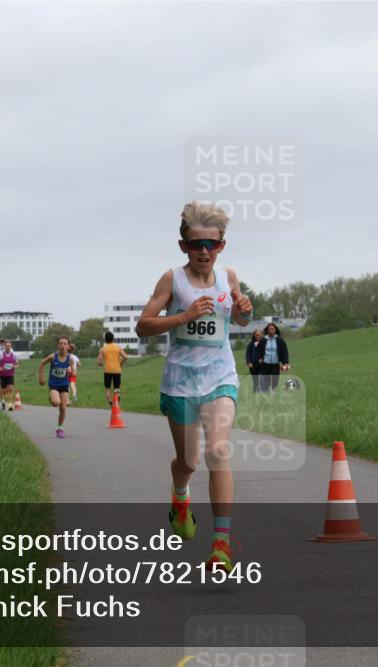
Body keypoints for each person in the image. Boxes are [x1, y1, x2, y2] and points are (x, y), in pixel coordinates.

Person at [136, 201, 253, 572]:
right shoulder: (173, 280)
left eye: (212, 245)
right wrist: (184, 316)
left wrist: (244, 311)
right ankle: (180, 495)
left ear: (222, 246)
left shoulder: (228, 277)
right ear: (183, 245)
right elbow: (143, 325)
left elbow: (241, 317)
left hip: (220, 376)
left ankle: (221, 544)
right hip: (180, 381)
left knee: (218, 451)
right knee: (188, 460)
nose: (205, 252)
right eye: (197, 244)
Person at [38, 336, 74, 438]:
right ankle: (52, 398)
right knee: (56, 403)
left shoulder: (70, 359)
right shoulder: (53, 356)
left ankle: (60, 429)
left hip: (64, 385)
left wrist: (71, 373)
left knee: (63, 407)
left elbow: (74, 372)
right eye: (61, 343)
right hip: (54, 385)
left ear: (68, 346)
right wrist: (41, 378)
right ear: (58, 345)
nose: (62, 345)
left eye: (65, 344)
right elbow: (42, 363)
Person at [256, 322, 290, 392]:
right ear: (267, 330)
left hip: (275, 362)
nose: (271, 331)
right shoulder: (263, 340)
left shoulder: (279, 340)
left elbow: (284, 351)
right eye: (269, 329)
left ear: (275, 330)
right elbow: (258, 351)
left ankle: (273, 389)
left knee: (275, 378)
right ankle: (267, 390)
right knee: (265, 378)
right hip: (265, 362)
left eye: (272, 329)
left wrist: (285, 362)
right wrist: (259, 358)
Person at [97, 331, 128, 406]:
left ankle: (111, 403)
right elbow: (126, 357)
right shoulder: (118, 348)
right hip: (117, 371)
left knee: (107, 388)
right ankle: (117, 404)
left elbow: (99, 362)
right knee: (116, 388)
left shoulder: (103, 349)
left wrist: (102, 364)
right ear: (113, 338)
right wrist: (121, 363)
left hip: (107, 371)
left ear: (105, 339)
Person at [0, 339, 19, 411]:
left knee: (10, 389)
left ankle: (10, 405)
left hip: (10, 374)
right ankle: (3, 402)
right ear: (4, 346)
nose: (8, 347)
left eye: (9, 346)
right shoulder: (0, 355)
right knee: (3, 389)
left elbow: (18, 363)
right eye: (6, 346)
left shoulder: (14, 355)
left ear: (11, 346)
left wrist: (14, 366)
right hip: (2, 375)